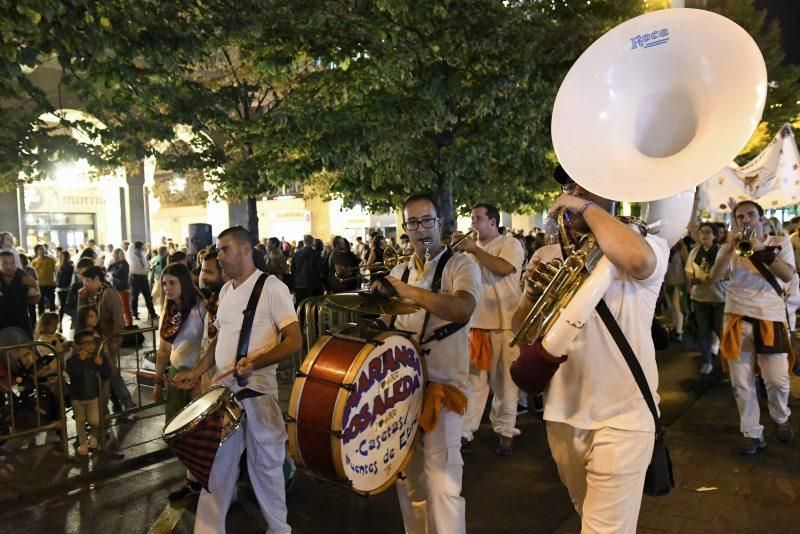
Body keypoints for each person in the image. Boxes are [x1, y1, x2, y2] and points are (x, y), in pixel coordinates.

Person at [512, 165, 668, 533]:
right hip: (563, 413)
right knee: (589, 517)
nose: (575, 191)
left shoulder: (645, 243)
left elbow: (639, 262)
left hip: (625, 418)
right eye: (570, 185)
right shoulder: (550, 255)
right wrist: (533, 294)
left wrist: (581, 207)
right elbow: (520, 331)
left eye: (587, 185)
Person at [173, 226, 301, 534]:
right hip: (224, 392)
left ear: (246, 250)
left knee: (266, 469)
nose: (219, 257)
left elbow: (294, 340)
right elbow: (219, 340)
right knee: (216, 469)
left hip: (258, 393)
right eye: (217, 251)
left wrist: (255, 362)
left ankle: (278, 530)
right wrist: (197, 370)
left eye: (224, 250)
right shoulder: (227, 291)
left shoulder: (271, 288)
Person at [371, 193, 481, 534]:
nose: (421, 229)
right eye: (413, 222)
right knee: (409, 481)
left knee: (444, 485)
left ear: (441, 224)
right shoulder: (399, 270)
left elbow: (462, 309)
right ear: (406, 228)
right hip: (403, 393)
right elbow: (386, 326)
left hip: (444, 392)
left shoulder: (461, 265)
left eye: (427, 221)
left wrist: (405, 290)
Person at [708, 200, 796, 453]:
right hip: (736, 317)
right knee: (741, 382)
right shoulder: (730, 247)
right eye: (740, 217)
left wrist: (760, 249)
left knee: (777, 380)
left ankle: (781, 417)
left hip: (770, 318)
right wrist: (727, 248)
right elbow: (715, 278)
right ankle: (752, 433)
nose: (745, 220)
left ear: (762, 218)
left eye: (750, 215)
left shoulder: (780, 242)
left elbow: (787, 275)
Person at [458, 203, 525, 456]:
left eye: (478, 218)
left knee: (505, 382)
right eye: (472, 218)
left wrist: (474, 249)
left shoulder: (510, 244)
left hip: (505, 323)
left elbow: (502, 268)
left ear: (493, 221)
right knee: (474, 381)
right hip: (476, 324)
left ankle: (505, 431)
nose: (473, 222)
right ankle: (466, 431)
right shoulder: (468, 252)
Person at [153, 262, 207, 502]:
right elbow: (164, 350)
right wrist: (158, 381)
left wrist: (199, 375)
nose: (167, 288)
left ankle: (198, 480)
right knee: (177, 431)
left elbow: (210, 345)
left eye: (172, 282)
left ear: (184, 283)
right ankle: (194, 478)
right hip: (176, 376)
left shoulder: (202, 308)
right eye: (164, 283)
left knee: (198, 432)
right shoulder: (168, 312)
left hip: (199, 377)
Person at [79, 265, 136, 415]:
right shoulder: (95, 294)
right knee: (106, 373)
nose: (84, 286)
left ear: (96, 279)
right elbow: (83, 315)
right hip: (99, 340)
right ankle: (118, 402)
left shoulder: (108, 293)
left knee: (111, 372)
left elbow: (118, 318)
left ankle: (127, 402)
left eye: (86, 282)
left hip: (109, 340)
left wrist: (114, 341)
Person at [685, 223, 728, 375]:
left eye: (708, 232)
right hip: (700, 298)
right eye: (701, 232)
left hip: (720, 298)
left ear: (715, 235)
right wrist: (702, 279)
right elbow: (689, 272)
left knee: (722, 333)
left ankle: (728, 363)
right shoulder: (695, 251)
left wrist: (712, 279)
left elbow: (729, 273)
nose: (704, 235)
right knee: (704, 333)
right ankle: (707, 362)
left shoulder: (722, 251)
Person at [67, 329, 111, 455]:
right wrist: (81, 360)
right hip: (77, 397)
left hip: (93, 396)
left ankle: (93, 436)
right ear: (79, 346)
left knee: (94, 420)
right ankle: (82, 443)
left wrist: (101, 365)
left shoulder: (97, 358)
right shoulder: (73, 360)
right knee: (80, 421)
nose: (90, 346)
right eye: (86, 343)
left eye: (92, 342)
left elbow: (107, 374)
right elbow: (74, 373)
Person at [0, 250, 39, 338]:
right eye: (5, 263)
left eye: (12, 263)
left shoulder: (22, 276)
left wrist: (34, 285)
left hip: (21, 323)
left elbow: (34, 301)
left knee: (26, 350)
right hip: (1, 324)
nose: (9, 266)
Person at [127, 241, 159, 321]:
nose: (143, 248)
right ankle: (134, 313)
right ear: (138, 247)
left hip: (143, 277)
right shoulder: (132, 254)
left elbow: (144, 265)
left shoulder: (141, 255)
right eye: (142, 246)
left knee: (148, 296)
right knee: (135, 296)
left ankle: (152, 313)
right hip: (135, 277)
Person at [291, 234, 326, 305]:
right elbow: (321, 269)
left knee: (301, 305)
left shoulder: (296, 254)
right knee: (313, 306)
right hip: (313, 284)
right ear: (312, 242)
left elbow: (293, 270)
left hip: (299, 284)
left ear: (304, 242)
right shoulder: (316, 254)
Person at [108, 248, 133, 326]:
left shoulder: (124, 264)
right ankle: (122, 324)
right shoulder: (114, 264)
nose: (113, 256)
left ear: (118, 255)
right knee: (117, 308)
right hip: (115, 288)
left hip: (123, 288)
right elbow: (108, 272)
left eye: (114, 254)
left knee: (125, 308)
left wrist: (113, 276)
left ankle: (129, 325)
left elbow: (118, 274)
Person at [32, 244, 57, 316]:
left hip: (50, 284)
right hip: (39, 285)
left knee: (52, 302)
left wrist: (56, 280)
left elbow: (55, 271)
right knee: (40, 304)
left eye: (43, 249)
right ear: (37, 251)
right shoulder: (34, 262)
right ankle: (41, 319)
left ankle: (53, 318)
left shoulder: (51, 260)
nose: (42, 250)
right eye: (40, 249)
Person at [56, 251, 74, 331]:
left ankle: (61, 324)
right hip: (66, 288)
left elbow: (59, 279)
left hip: (63, 288)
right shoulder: (68, 266)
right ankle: (62, 324)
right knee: (66, 305)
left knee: (63, 306)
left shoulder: (63, 267)